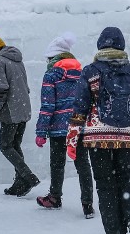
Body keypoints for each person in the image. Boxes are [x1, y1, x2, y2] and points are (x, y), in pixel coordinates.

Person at [68, 27, 130, 234]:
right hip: (126, 135)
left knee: (105, 185)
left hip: (97, 137)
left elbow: (80, 108)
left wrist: (72, 139)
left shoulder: (90, 71)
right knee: (124, 177)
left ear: (100, 45)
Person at [34, 32, 95, 218]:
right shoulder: (83, 73)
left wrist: (41, 131)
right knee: (83, 164)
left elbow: (47, 106)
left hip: (58, 128)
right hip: (78, 127)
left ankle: (55, 197)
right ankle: (88, 204)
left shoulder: (51, 75)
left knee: (57, 163)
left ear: (54, 57)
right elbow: (89, 101)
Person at [0, 34, 40, 196]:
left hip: (11, 111)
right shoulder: (17, 60)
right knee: (15, 146)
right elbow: (25, 86)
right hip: (23, 109)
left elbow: (1, 89)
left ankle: (28, 176)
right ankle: (19, 183)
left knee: (5, 146)